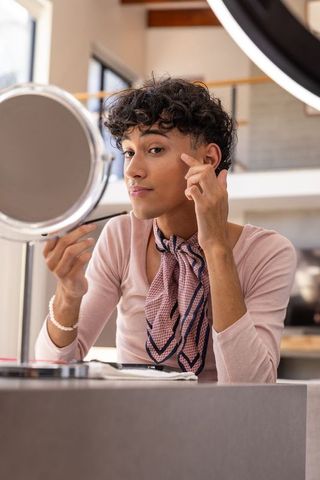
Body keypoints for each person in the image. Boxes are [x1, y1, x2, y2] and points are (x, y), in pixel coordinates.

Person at [35, 77, 296, 382]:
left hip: (220, 428)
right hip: (132, 423)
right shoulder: (121, 236)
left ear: (208, 160)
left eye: (155, 149)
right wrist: (68, 294)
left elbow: (251, 391)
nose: (132, 170)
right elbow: (52, 368)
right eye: (129, 152)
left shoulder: (268, 252)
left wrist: (215, 248)